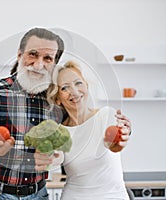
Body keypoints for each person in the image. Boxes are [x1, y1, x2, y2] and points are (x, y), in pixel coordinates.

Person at [0, 27, 65, 200]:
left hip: (38, 194)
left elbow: (85, 123)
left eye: (47, 58)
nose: (39, 64)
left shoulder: (55, 99)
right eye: (32, 54)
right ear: (19, 55)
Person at [43, 60, 131, 199]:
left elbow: (114, 145)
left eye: (78, 83)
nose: (74, 91)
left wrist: (120, 141)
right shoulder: (59, 131)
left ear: (86, 86)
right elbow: (56, 159)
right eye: (65, 88)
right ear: (58, 98)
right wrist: (48, 157)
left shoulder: (106, 115)